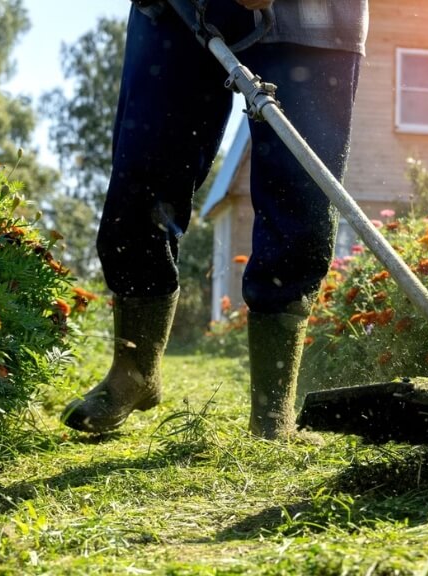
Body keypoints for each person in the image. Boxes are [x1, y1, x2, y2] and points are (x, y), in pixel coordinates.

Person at [62, 0, 368, 439]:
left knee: (300, 199)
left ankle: (271, 409)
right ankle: (134, 369)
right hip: (178, 9)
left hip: (311, 19)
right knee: (144, 175)